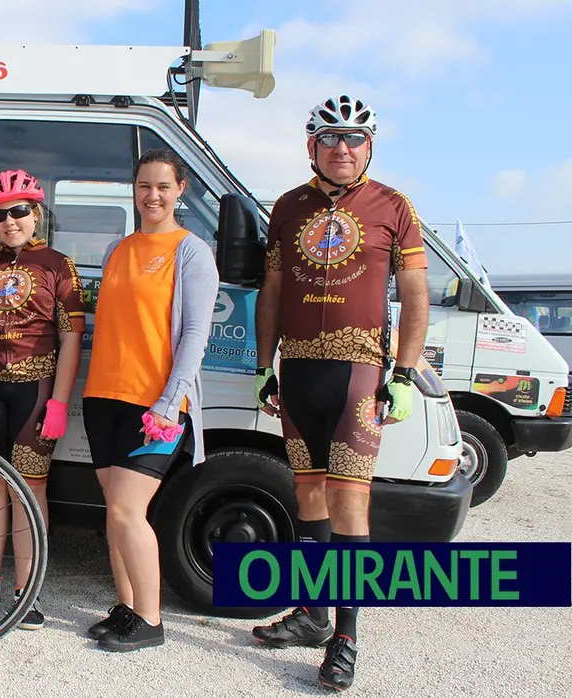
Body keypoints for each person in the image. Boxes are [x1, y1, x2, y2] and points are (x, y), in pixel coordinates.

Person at [251, 95, 429, 691]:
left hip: (358, 370)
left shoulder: (393, 206)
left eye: (354, 138)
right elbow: (271, 293)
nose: (343, 148)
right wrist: (263, 366)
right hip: (299, 369)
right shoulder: (287, 207)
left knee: (350, 502)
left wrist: (402, 373)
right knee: (307, 496)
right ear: (312, 147)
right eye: (331, 137)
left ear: (370, 146)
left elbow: (415, 296)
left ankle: (347, 636)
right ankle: (312, 613)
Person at [80, 148, 218, 652]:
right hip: (104, 398)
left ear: (181, 189)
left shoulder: (191, 251)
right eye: (144, 186)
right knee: (112, 510)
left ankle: (152, 621)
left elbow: (197, 333)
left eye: (163, 186)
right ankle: (127, 607)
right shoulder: (120, 248)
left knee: (126, 511)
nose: (152, 195)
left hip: (154, 404)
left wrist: (170, 399)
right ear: (133, 190)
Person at [0, 169, 86, 631]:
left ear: (37, 213)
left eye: (19, 212)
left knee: (29, 489)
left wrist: (60, 402)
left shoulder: (57, 264)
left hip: (36, 389)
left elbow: (71, 338)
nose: (10, 221)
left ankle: (27, 592)